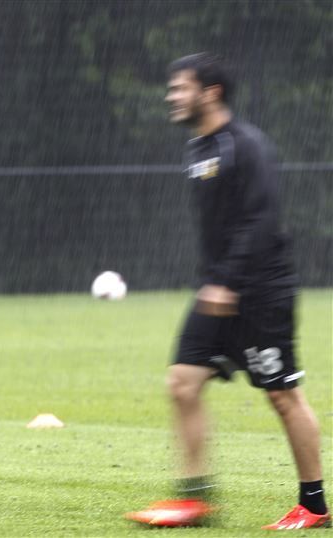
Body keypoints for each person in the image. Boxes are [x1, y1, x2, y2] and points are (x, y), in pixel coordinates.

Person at [126, 53, 328, 530]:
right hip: (216, 290)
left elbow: (261, 221)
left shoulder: (246, 145)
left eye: (181, 88)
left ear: (210, 92)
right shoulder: (198, 149)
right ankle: (196, 501)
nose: (172, 96)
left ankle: (314, 505)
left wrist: (229, 280)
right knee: (182, 383)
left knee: (283, 396)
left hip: (260, 292)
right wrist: (214, 282)